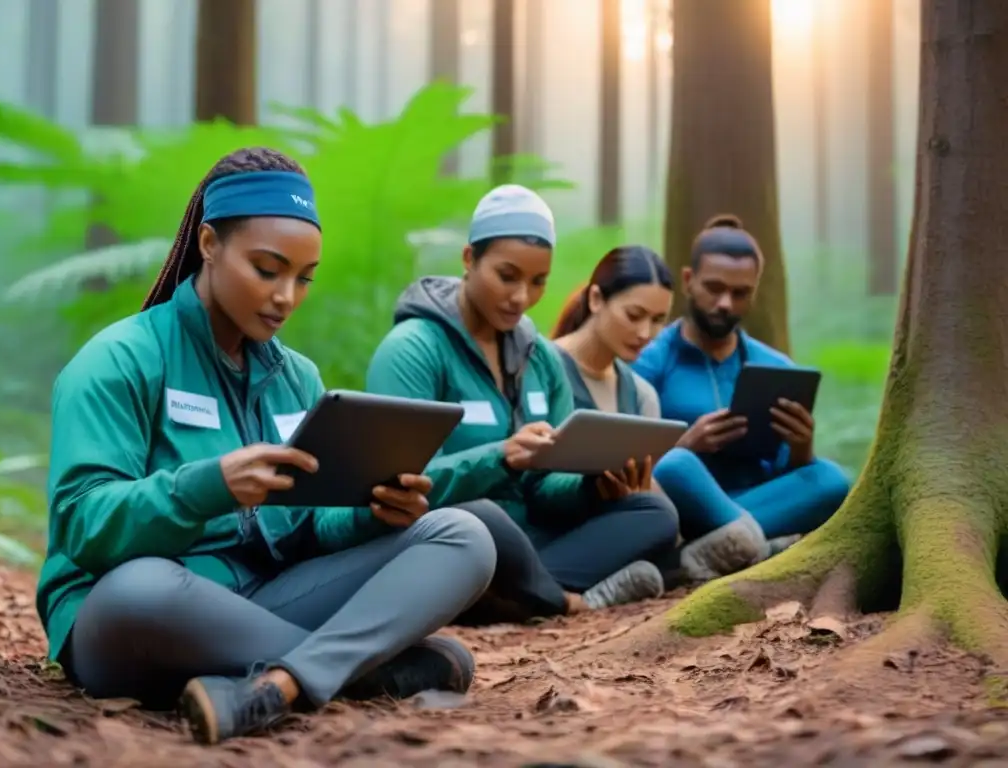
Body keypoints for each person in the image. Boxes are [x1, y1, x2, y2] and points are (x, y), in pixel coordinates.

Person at [34, 148, 499, 746]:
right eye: (267, 269)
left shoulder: (297, 378)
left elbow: (302, 529)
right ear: (208, 243)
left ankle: (276, 687)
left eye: (304, 278)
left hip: (263, 599)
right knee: (136, 589)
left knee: (464, 536)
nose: (286, 296)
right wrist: (211, 486)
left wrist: (369, 516)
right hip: (140, 612)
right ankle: (377, 669)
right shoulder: (119, 360)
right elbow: (81, 523)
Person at [364, 184, 680, 624]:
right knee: (485, 519)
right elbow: (396, 484)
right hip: (448, 538)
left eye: (538, 282)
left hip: (531, 544)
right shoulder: (413, 349)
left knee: (655, 512)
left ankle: (502, 596)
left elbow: (546, 489)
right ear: (469, 259)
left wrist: (592, 488)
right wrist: (501, 457)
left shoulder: (541, 357)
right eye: (507, 276)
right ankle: (558, 600)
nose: (521, 297)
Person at [631, 214, 851, 582]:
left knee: (830, 477)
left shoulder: (775, 366)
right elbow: (630, 466)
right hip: (681, 507)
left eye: (740, 293)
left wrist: (801, 448)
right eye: (714, 288)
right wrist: (687, 445)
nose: (724, 304)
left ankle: (721, 549)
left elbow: (791, 473)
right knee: (677, 465)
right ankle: (761, 547)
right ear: (688, 281)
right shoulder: (650, 361)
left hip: (759, 500)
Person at [549, 244, 673, 419]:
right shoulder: (540, 369)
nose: (645, 333)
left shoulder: (641, 396)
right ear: (596, 299)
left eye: (658, 320)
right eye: (634, 315)